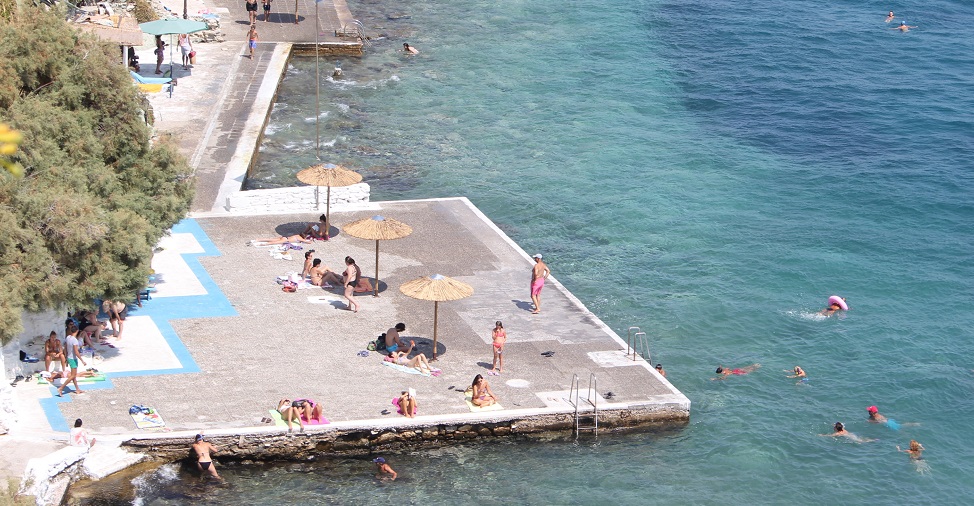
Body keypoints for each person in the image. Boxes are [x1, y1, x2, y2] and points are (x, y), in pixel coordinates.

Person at [57, 323, 87, 397]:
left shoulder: (68, 337)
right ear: (77, 331)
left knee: (74, 375)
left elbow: (66, 347)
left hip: (69, 358)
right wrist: (82, 360)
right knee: (73, 375)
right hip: (73, 359)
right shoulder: (75, 341)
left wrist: (66, 356)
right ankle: (61, 388)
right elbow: (76, 352)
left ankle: (77, 389)